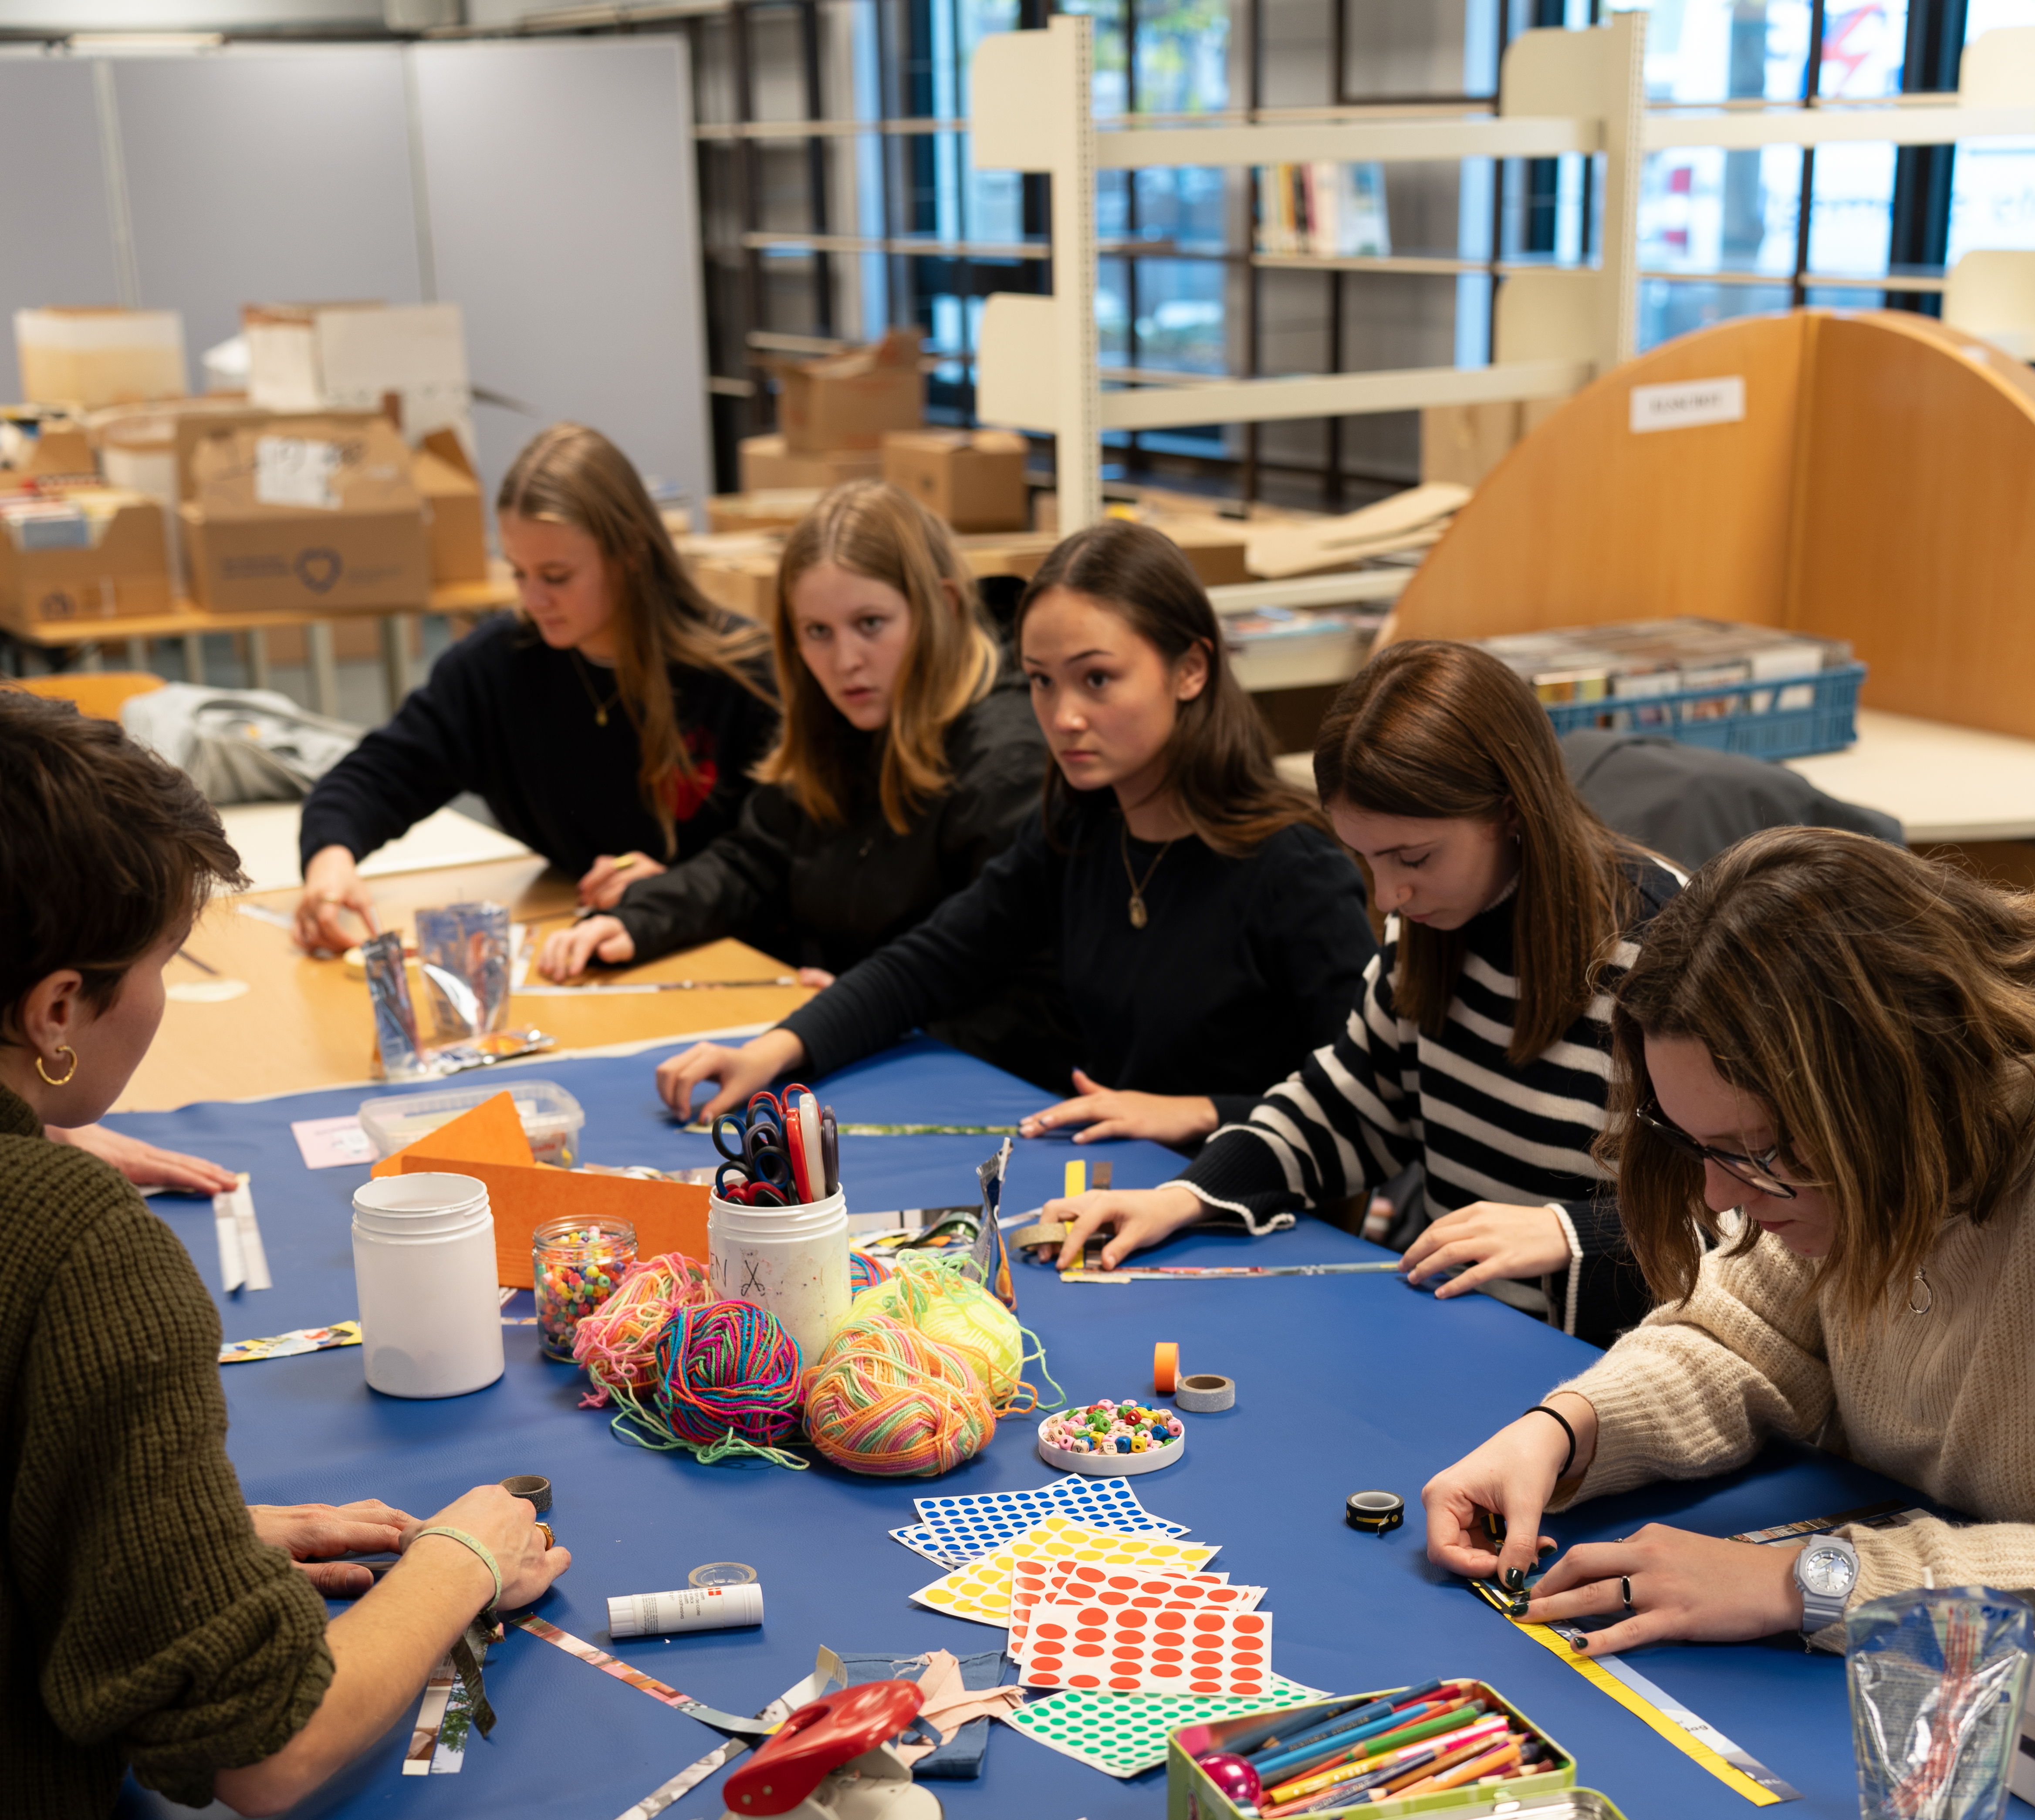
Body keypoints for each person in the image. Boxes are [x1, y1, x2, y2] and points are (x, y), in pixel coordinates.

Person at [0, 688, 570, 1820]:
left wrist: (191, 1540)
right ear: (52, 1009)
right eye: (162, 968)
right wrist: (469, 1552)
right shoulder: (66, 1241)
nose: (169, 1003)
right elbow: (259, 1747)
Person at [1421, 829, 2035, 1649]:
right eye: (1702, 1146)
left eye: (1756, 1150)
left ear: (1892, 1085)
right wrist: (1567, 1427)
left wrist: (1808, 1580)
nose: (1719, 1195)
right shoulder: (1852, 1161)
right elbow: (1746, 1333)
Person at [1039, 639, 1683, 1347]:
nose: (1388, 894)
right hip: (1462, 1326)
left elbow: (1745, 1213)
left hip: (1610, 1362)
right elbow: (1345, 1107)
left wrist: (1567, 1232)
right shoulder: (1428, 929)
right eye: (1367, 857)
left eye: (1413, 857)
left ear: (1509, 810)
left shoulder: (1661, 951)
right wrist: (1186, 1196)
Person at [650, 520, 1373, 1126]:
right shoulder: (1080, 826)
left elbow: (1367, 1103)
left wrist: (1195, 1111)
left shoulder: (1293, 866)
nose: (1063, 717)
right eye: (1040, 680)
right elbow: (928, 961)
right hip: (1116, 1188)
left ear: (1189, 670)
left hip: (1249, 1214)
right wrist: (775, 1049)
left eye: (1097, 678)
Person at [537, 482, 1057, 1073]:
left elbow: (1023, 1002)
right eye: (818, 633)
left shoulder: (1006, 763)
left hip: (948, 1068)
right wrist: (638, 919)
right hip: (853, 1042)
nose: (844, 662)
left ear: (944, 606)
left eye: (870, 623)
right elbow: (754, 860)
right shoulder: (841, 720)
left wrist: (850, 1023)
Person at [293, 422, 776, 955]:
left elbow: (778, 857)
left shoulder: (741, 674)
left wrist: (673, 887)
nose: (534, 599)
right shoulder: (498, 666)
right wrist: (330, 858)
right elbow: (379, 773)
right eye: (519, 573)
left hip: (719, 949)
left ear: (632, 552)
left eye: (557, 576)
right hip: (578, 948)